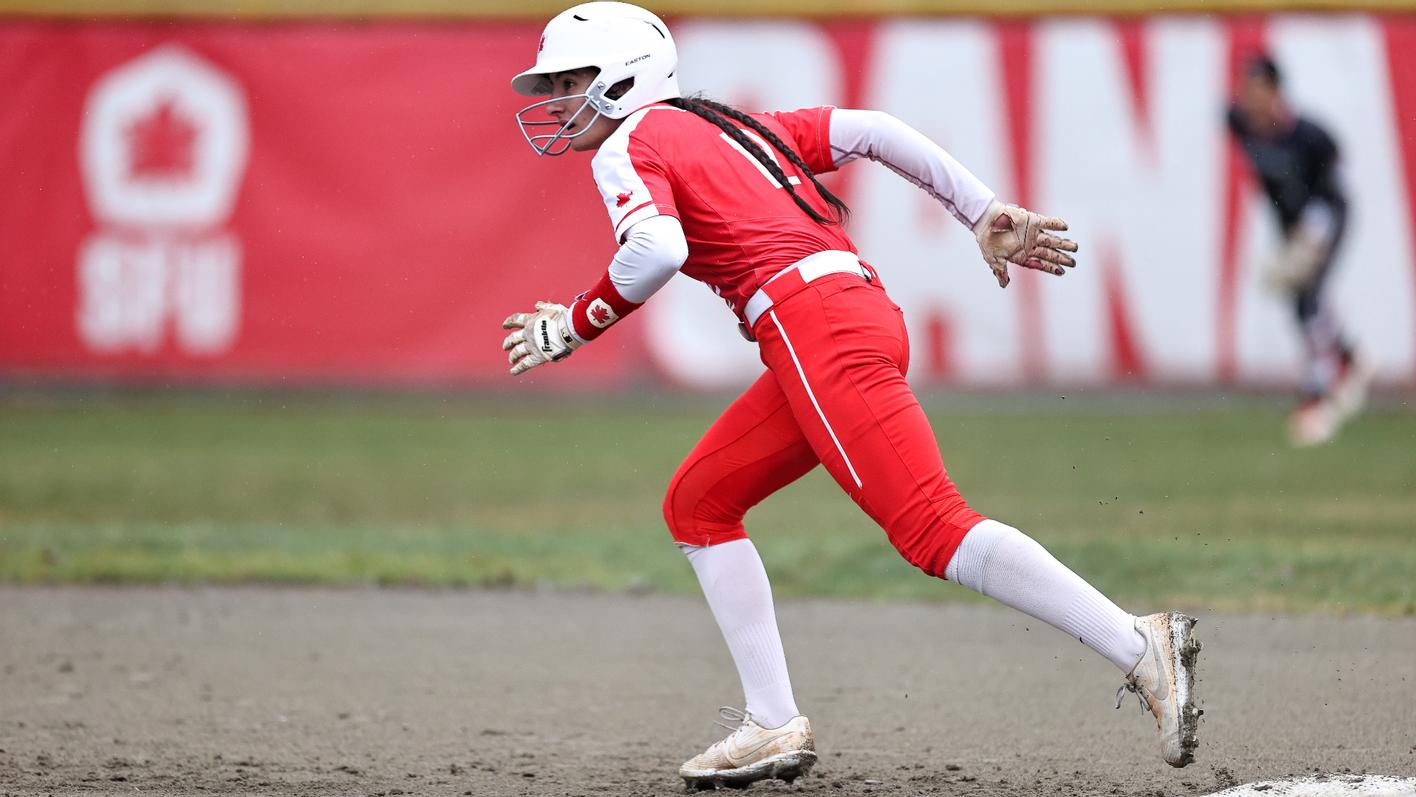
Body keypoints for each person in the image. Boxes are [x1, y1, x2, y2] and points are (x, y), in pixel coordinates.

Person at [501, 2, 1201, 788]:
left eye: (572, 79)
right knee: (698, 502)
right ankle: (771, 719)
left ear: (625, 76)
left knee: (932, 528)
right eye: (554, 82)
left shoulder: (628, 143)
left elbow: (658, 249)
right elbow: (870, 126)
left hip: (814, 328)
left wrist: (577, 322)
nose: (558, 99)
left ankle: (1137, 645)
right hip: (851, 312)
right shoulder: (734, 125)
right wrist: (977, 206)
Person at [1228, 53, 1371, 447]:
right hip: (1291, 227)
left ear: (1276, 92)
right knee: (1300, 300)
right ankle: (1349, 356)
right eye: (1245, 91)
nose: (1249, 99)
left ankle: (1318, 395)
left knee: (1308, 297)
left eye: (1257, 90)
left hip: (1327, 219)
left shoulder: (1309, 136)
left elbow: (1334, 188)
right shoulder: (1239, 123)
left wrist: (1312, 234)